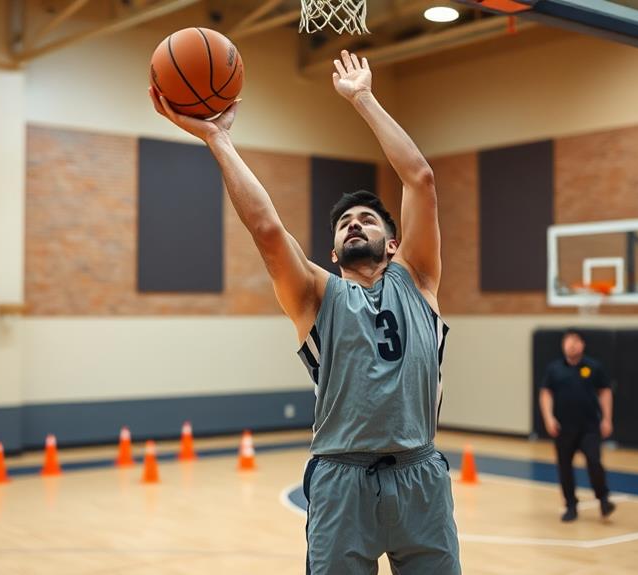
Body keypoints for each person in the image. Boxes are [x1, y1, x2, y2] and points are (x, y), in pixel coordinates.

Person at [150, 50, 460, 574]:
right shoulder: (317, 296)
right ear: (334, 253)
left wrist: (363, 98)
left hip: (420, 475)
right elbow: (268, 230)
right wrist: (218, 139)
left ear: (393, 245)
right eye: (344, 224)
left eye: (368, 219)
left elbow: (421, 179)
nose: (355, 224)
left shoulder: (419, 281)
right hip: (342, 480)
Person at [539, 329, 616, 522]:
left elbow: (605, 392)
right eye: (567, 341)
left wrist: (607, 418)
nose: (571, 345)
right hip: (564, 428)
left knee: (594, 462)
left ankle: (603, 498)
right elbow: (545, 393)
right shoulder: (554, 369)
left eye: (575, 341)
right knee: (564, 467)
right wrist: (549, 418)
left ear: (582, 344)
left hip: (589, 426)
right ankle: (571, 505)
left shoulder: (593, 367)